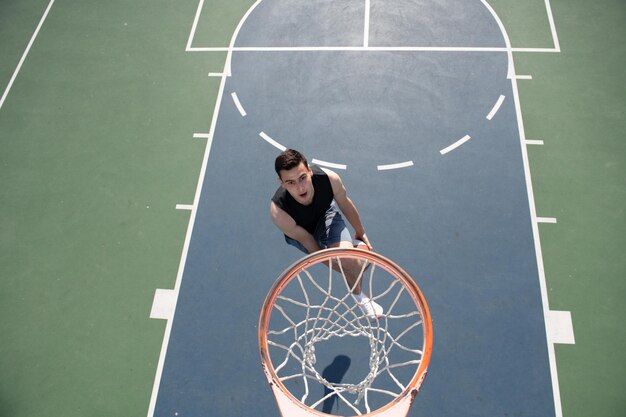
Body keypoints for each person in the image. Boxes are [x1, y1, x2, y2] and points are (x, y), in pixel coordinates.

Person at [270, 149, 383, 318]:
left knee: (348, 259)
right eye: (290, 182)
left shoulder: (330, 179)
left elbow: (345, 204)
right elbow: (310, 244)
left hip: (326, 215)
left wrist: (361, 232)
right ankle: (356, 262)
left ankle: (358, 296)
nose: (300, 187)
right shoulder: (280, 213)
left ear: (309, 170)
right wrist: (348, 267)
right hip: (303, 233)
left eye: (302, 178)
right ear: (281, 183)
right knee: (349, 262)